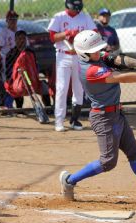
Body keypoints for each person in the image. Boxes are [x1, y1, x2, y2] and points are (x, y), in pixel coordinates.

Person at [58, 30, 136, 204]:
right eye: (94, 51)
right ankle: (69, 181)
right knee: (108, 162)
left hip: (117, 114)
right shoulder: (90, 70)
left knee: (134, 152)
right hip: (103, 118)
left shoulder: (95, 57)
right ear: (84, 54)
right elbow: (122, 77)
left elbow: (118, 59)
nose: (99, 53)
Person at [47, 0, 97, 132]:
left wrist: (82, 37)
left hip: (80, 55)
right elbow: (52, 37)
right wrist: (67, 33)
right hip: (63, 55)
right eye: (74, 9)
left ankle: (75, 120)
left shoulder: (85, 17)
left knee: (79, 89)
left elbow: (94, 33)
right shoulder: (59, 17)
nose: (77, 11)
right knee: (62, 88)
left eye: (78, 9)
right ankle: (59, 121)